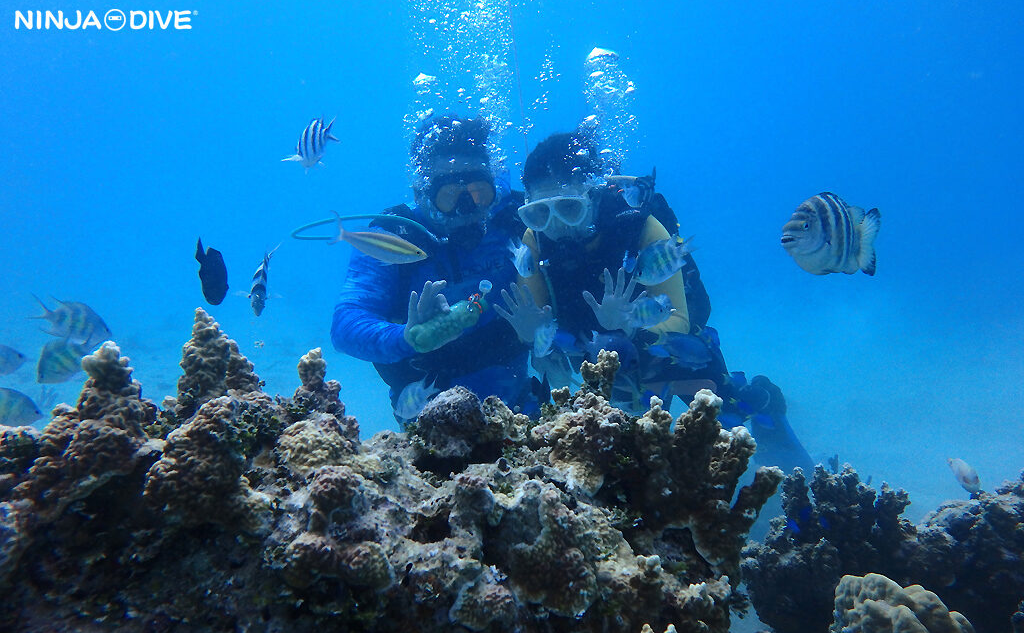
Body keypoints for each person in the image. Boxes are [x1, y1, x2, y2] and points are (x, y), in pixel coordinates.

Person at [497, 129, 814, 471]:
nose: (556, 226)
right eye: (539, 214)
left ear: (594, 196)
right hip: (591, 351)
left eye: (569, 208)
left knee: (726, 413)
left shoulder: (643, 229)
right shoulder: (532, 242)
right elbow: (537, 320)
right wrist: (529, 335)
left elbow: (679, 317)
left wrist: (629, 326)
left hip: (660, 343)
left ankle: (765, 401)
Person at [331, 115, 534, 423]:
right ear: (421, 194)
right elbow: (345, 326)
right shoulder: (394, 238)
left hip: (519, 409)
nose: (468, 207)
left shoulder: (513, 218)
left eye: (479, 192)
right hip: (428, 421)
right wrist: (407, 337)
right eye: (449, 195)